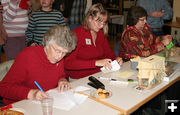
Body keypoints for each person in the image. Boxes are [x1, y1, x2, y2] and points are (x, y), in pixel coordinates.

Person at [0, 25, 77, 105]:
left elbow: (61, 75)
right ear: (47, 43)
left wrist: (62, 80)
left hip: (45, 102)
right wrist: (31, 94)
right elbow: (3, 88)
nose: (60, 56)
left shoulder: (56, 57)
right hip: (20, 105)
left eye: (64, 53)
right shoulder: (28, 56)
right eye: (58, 51)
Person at [64, 3, 123, 80]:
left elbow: (108, 53)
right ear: (90, 18)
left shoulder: (101, 34)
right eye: (99, 22)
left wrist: (116, 58)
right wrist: (95, 63)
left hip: (98, 75)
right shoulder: (77, 34)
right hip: (79, 78)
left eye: (104, 23)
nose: (101, 26)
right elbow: (68, 63)